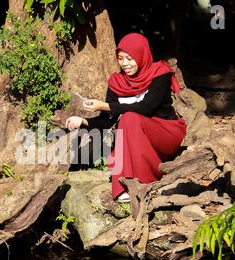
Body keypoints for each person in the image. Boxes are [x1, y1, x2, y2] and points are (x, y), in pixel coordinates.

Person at [65, 33, 187, 203]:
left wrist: (106, 106)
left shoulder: (160, 73)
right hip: (137, 136)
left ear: (142, 55)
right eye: (121, 58)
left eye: (130, 59)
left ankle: (144, 181)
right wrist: (84, 121)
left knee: (130, 117)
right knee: (128, 119)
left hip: (166, 132)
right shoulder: (116, 83)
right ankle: (126, 187)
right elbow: (109, 121)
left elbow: (146, 107)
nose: (125, 64)